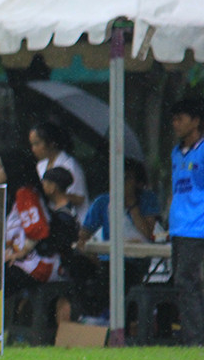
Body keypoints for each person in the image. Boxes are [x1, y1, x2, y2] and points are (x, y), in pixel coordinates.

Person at [75, 158, 161, 315]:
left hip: (135, 260)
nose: (122, 182)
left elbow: (147, 233)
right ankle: (92, 317)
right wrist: (92, 256)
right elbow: (84, 235)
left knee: (118, 277)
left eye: (127, 178)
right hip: (108, 259)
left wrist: (131, 204)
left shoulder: (146, 200)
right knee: (81, 269)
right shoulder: (103, 202)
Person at [0, 149, 65, 296]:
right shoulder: (17, 194)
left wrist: (19, 253)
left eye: (0, 167)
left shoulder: (25, 193)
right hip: (27, 262)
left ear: (11, 168)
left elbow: (38, 229)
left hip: (37, 265)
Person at [167, 97, 204, 346]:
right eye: (174, 118)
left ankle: (195, 340)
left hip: (197, 226)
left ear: (196, 121)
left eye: (180, 118)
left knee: (186, 281)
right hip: (179, 227)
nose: (175, 123)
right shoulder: (175, 153)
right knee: (184, 283)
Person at [30, 121, 89, 220]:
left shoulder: (70, 165)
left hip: (73, 220)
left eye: (37, 143)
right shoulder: (40, 166)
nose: (33, 149)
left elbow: (80, 198)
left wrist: (55, 194)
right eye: (32, 144)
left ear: (51, 143)